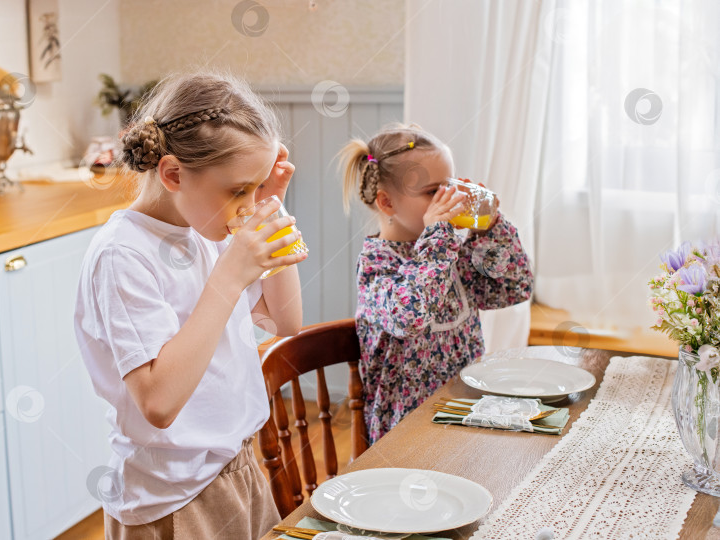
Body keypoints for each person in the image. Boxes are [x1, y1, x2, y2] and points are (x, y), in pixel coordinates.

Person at [74, 71, 307, 539]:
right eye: (238, 190)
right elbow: (158, 403)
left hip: (237, 467)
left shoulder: (208, 227)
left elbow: (286, 321)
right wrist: (229, 275)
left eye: (255, 187)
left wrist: (271, 206)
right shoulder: (124, 254)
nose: (247, 205)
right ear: (174, 174)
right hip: (170, 498)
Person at [339, 124, 534, 443]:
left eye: (450, 186)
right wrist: (439, 239)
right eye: (433, 192)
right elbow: (409, 316)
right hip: (406, 434)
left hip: (466, 413)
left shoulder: (448, 254)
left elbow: (515, 286)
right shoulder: (378, 265)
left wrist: (491, 227)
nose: (450, 199)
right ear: (387, 203)